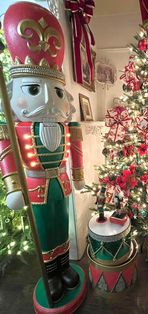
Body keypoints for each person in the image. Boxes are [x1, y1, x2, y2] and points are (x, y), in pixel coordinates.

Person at [0, 2, 85, 302]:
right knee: (45, 230)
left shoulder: (66, 125)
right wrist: (13, 185)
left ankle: (64, 267)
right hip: (35, 185)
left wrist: (77, 175)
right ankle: (50, 273)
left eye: (57, 92)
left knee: (62, 226)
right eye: (34, 90)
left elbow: (75, 149)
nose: (50, 100)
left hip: (60, 183)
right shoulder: (17, 129)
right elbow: (6, 150)